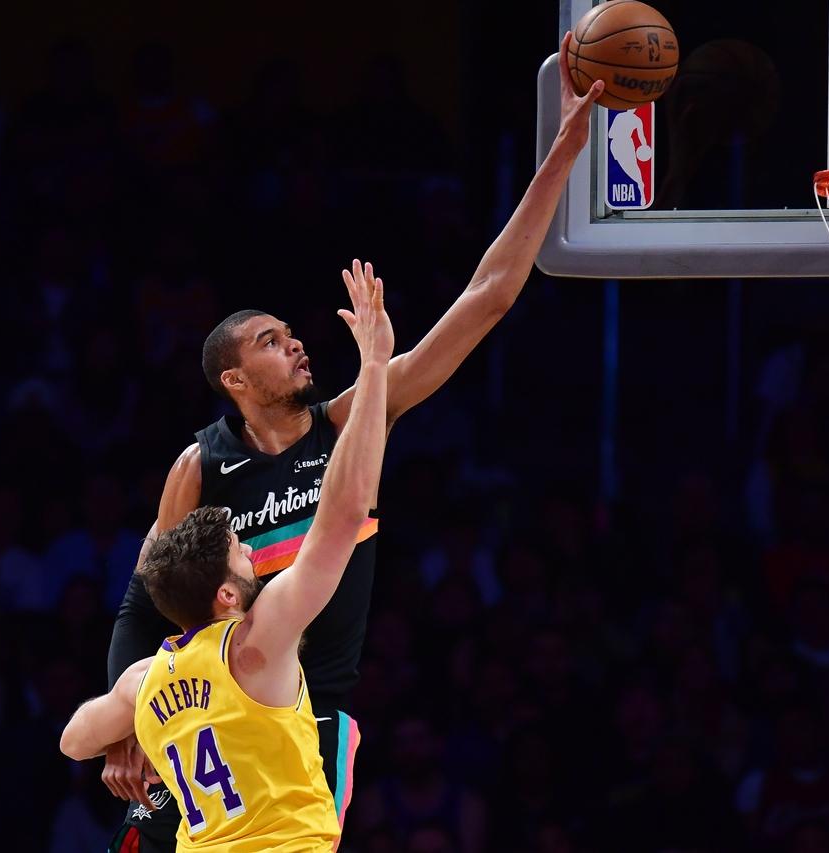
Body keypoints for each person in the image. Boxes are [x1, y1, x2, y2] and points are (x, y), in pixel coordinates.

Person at [101, 33, 604, 852]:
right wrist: (125, 724)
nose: (296, 343)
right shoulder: (200, 465)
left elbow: (486, 297)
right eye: (270, 341)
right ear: (234, 378)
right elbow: (140, 606)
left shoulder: (355, 416)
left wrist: (563, 154)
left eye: (292, 332)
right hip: (205, 714)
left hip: (307, 719)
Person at [61, 269, 393, 851]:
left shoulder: (146, 680)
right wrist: (373, 365)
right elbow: (343, 515)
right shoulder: (264, 640)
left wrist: (128, 722)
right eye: (244, 552)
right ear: (227, 593)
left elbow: (72, 740)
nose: (254, 553)